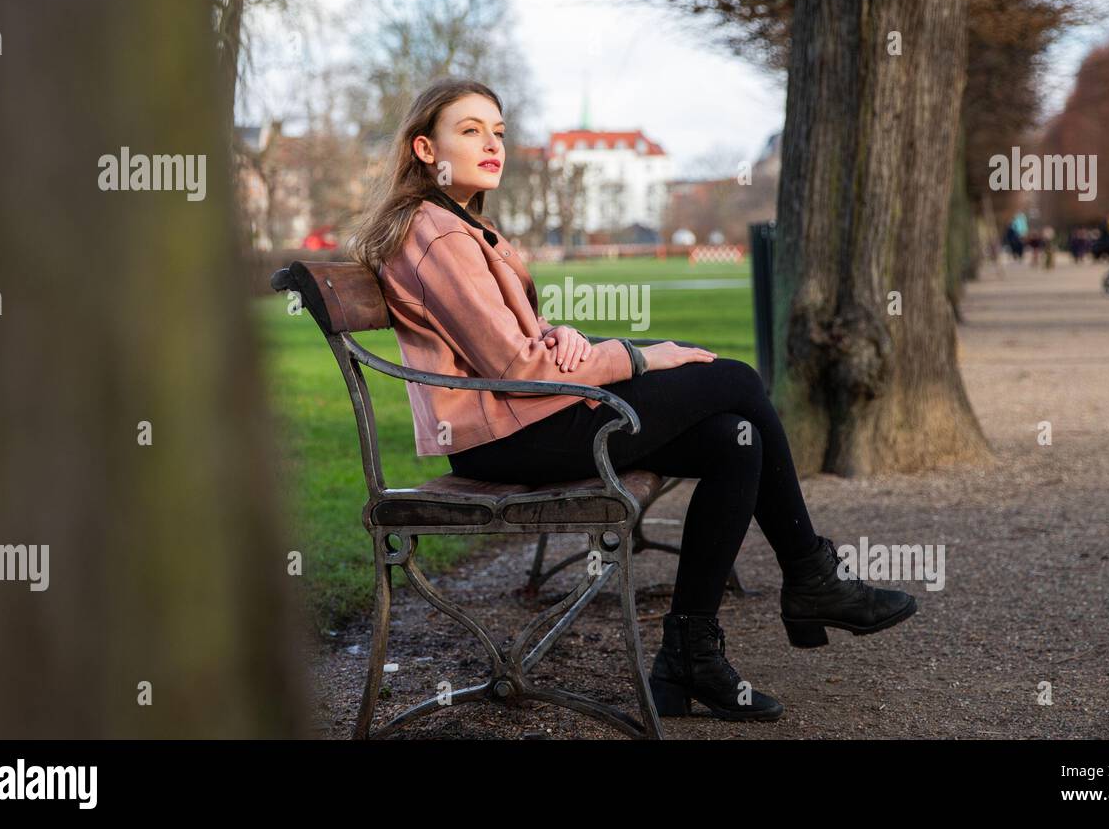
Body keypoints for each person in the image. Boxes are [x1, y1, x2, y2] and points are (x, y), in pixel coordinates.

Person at [343, 77, 917, 723]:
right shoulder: (438, 233)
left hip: (521, 422)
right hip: (508, 438)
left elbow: (511, 345)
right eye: (470, 130)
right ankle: (810, 576)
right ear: (425, 148)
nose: (492, 144)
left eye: (498, 132)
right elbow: (513, 367)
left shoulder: (456, 226)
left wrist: (558, 335)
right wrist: (641, 355)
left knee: (736, 439)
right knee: (736, 380)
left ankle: (688, 657)